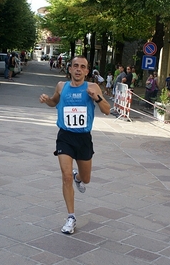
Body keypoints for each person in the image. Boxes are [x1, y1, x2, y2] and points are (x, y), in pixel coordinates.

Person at [39, 56, 110, 234]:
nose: (78, 69)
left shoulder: (92, 87)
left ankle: (79, 177)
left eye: (82, 67)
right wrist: (46, 99)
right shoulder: (61, 86)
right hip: (65, 136)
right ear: (69, 69)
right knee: (65, 176)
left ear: (87, 71)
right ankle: (71, 217)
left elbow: (107, 110)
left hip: (84, 138)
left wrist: (97, 98)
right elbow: (54, 102)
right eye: (75, 66)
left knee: (86, 179)